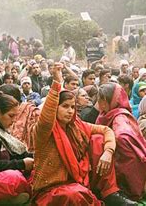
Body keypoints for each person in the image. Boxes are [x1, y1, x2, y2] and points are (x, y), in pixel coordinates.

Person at [31, 63, 137, 205]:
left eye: (73, 107)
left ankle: (109, 193)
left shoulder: (77, 126)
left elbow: (106, 130)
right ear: (55, 108)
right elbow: (47, 115)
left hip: (78, 179)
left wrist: (108, 152)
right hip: (51, 187)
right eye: (65, 106)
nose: (70, 111)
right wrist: (57, 81)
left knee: (98, 139)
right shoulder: (44, 131)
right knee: (73, 194)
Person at [96, 83, 146, 202]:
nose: (99, 104)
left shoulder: (119, 115)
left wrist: (111, 146)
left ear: (112, 100)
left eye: (103, 100)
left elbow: (122, 134)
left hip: (125, 154)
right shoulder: (104, 114)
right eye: (99, 100)